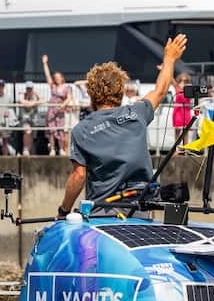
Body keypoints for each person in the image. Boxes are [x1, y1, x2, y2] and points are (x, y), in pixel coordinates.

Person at [61, 34, 188, 213]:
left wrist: (63, 210)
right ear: (120, 91)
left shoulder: (81, 130)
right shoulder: (136, 113)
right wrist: (169, 59)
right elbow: (160, 90)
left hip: (102, 214)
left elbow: (79, 176)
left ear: (91, 94)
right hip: (140, 212)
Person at [41, 55, 73, 156]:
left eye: (58, 77)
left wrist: (63, 105)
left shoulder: (67, 87)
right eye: (55, 78)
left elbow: (69, 98)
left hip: (60, 110)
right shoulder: (53, 86)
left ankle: (61, 149)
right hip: (52, 110)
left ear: (62, 78)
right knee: (51, 130)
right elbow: (47, 76)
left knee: (60, 130)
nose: (57, 79)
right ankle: (52, 149)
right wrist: (45, 63)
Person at [19, 81, 42, 156]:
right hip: (25, 119)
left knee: (32, 135)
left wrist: (35, 101)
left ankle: (29, 150)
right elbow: (22, 101)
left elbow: (43, 100)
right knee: (27, 131)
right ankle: (25, 149)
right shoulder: (22, 94)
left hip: (34, 120)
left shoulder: (35, 95)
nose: (29, 90)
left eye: (30, 88)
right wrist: (33, 103)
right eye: (28, 88)